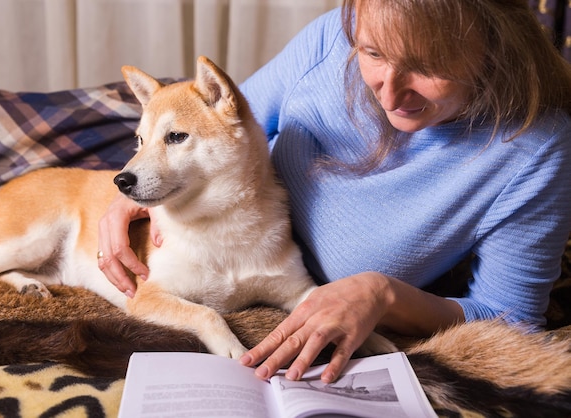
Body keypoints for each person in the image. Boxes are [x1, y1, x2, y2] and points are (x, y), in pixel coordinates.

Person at [97, 0, 571, 384]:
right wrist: (137, 191)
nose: (388, 93)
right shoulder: (330, 39)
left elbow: (511, 320)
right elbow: (220, 125)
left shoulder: (536, 150)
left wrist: (383, 294)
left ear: (495, 46)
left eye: (428, 65)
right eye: (373, 53)